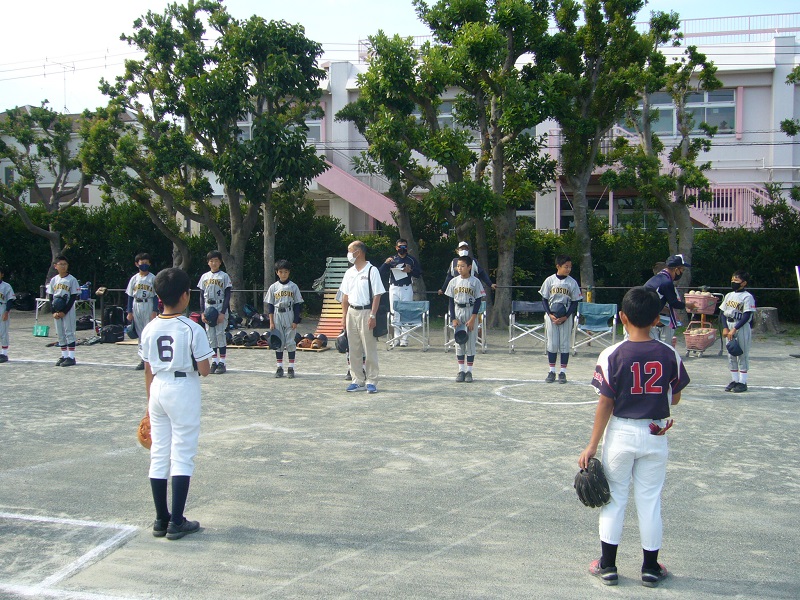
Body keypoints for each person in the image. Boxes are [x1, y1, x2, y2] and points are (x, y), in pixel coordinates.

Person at [579, 286, 690, 588]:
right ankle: (650, 569)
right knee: (649, 501)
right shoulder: (668, 353)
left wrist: (592, 445)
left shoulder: (612, 353)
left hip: (622, 433)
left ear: (623, 317)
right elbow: (675, 398)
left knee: (614, 499)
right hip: (655, 432)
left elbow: (606, 402)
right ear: (656, 319)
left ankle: (608, 566)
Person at [140, 267, 214, 540]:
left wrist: (149, 404)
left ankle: (161, 519)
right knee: (182, 453)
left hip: (158, 387)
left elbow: (148, 367)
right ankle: (177, 521)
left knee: (159, 452)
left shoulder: (150, 327)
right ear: (185, 295)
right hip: (183, 388)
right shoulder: (192, 327)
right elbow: (205, 370)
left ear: (159, 297)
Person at [339, 240, 385, 394]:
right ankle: (357, 380)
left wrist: (373, 314)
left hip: (366, 311)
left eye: (350, 250)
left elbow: (377, 295)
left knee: (369, 348)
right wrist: (344, 316)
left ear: (358, 252)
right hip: (351, 312)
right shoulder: (349, 272)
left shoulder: (372, 270)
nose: (348, 253)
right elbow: (345, 296)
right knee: (353, 349)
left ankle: (371, 380)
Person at [539, 255, 583, 384]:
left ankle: (562, 372)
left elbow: (575, 301)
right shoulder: (549, 280)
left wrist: (566, 316)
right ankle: (551, 371)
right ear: (558, 266)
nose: (568, 269)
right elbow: (544, 299)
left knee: (564, 344)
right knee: (552, 344)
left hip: (566, 316)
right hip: (551, 316)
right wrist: (549, 314)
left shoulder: (572, 282)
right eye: (566, 266)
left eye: (570, 267)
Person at [445, 255, 486, 382]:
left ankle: (469, 371)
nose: (460, 268)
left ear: (469, 267)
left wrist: (473, 318)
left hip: (470, 310)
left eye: (462, 266)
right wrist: (453, 318)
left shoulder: (475, 281)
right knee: (459, 341)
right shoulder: (453, 281)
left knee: (471, 342)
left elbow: (478, 300)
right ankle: (461, 370)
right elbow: (451, 301)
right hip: (458, 311)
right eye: (458, 266)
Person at [644, 254, 696, 345]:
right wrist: (688, 305)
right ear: (676, 269)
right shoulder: (667, 282)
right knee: (656, 346)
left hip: (643, 315)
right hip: (648, 317)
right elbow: (674, 303)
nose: (682, 273)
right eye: (682, 270)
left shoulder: (656, 278)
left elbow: (656, 301)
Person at [379, 238, 422, 347]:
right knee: (394, 312)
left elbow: (419, 273)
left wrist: (410, 270)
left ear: (407, 248)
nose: (402, 249)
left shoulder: (411, 260)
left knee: (406, 312)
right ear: (396, 248)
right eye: (400, 246)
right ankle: (396, 338)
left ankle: (404, 339)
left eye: (404, 246)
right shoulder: (392, 259)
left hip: (406, 288)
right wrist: (386, 263)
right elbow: (380, 272)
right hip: (394, 287)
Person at [265, 259, 304, 378]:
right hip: (277, 314)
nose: (283, 274)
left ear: (289, 272)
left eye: (286, 272)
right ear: (277, 272)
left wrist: (295, 320)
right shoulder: (273, 287)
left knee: (290, 341)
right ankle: (279, 367)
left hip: (289, 313)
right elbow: (270, 306)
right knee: (278, 341)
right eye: (281, 272)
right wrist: (271, 321)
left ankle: (291, 368)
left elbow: (297, 304)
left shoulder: (293, 286)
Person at [721, 270, 756, 393]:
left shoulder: (747, 297)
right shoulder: (729, 295)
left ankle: (743, 382)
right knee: (731, 353)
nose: (733, 282)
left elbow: (747, 315)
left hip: (741, 326)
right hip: (729, 324)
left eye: (736, 280)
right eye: (732, 279)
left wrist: (734, 329)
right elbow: (723, 313)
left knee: (742, 354)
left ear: (744, 283)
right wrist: (725, 327)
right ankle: (734, 380)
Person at [198, 250, 232, 375]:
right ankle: (214, 361)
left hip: (219, 305)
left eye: (216, 260)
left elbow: (227, 295)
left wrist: (223, 312)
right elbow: (201, 295)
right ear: (208, 262)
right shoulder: (204, 277)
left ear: (220, 262)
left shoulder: (224, 276)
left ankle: (222, 362)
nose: (214, 263)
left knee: (220, 334)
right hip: (208, 306)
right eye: (211, 261)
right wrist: (202, 312)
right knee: (211, 336)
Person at [126, 253, 158, 370]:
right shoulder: (134, 278)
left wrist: (154, 310)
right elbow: (130, 296)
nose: (144, 265)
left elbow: (155, 296)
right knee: (140, 333)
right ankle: (143, 359)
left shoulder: (153, 278)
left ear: (149, 263)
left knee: (149, 332)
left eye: (146, 262)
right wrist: (129, 311)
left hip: (148, 304)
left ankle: (151, 358)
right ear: (136, 264)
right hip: (137, 304)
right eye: (141, 263)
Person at [47, 255, 81, 367]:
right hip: (57, 309)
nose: (63, 266)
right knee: (60, 333)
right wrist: (53, 311)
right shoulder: (54, 280)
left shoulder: (72, 279)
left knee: (69, 332)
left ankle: (71, 357)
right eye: (61, 264)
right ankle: (64, 355)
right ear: (55, 266)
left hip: (68, 309)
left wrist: (64, 311)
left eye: (65, 264)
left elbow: (73, 297)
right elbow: (51, 296)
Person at [0, 266, 15, 363]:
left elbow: (10, 300)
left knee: (3, 331)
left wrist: (6, 311)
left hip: (2, 308)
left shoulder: (6, 286)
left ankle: (4, 354)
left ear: (2, 275)